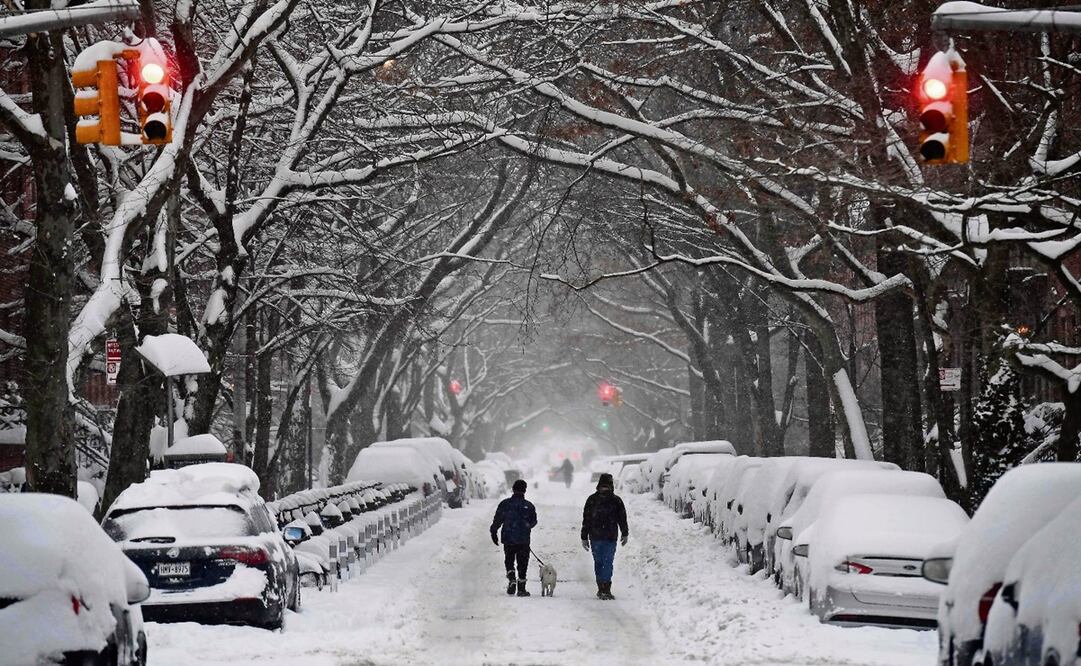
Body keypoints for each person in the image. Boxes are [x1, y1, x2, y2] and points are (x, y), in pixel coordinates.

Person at [580, 472, 629, 600]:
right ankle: (603, 587)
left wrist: (625, 533)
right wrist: (584, 536)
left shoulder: (597, 500)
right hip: (604, 537)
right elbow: (587, 519)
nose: (605, 489)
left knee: (603, 562)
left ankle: (604, 588)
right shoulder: (612, 500)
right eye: (603, 486)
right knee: (604, 562)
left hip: (603, 537)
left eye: (606, 486)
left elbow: (622, 518)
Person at [490, 479, 538, 597]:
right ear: (525, 490)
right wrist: (526, 527)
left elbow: (498, 520)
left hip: (509, 537)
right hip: (523, 539)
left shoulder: (505, 504)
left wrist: (494, 531)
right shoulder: (529, 506)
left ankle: (511, 578)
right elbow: (534, 521)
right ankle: (521, 588)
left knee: (509, 560)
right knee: (523, 563)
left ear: (513, 489)